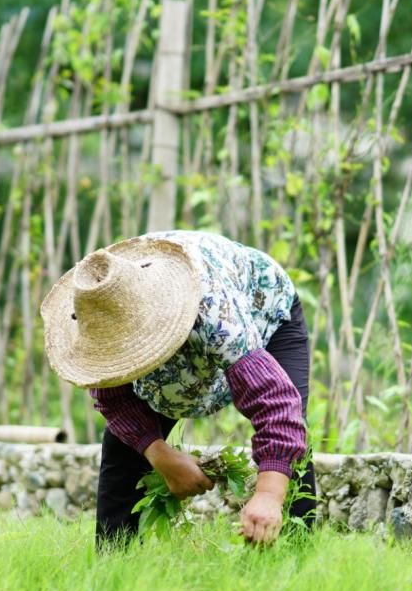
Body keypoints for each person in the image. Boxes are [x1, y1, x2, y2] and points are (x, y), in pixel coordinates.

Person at [41, 230, 314, 548]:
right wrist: (161, 455)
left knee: (293, 443)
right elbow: (113, 398)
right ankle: (114, 566)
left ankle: (293, 553)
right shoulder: (100, 311)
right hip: (170, 332)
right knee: (124, 449)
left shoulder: (214, 317)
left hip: (263, 309)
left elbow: (275, 405)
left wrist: (269, 493)